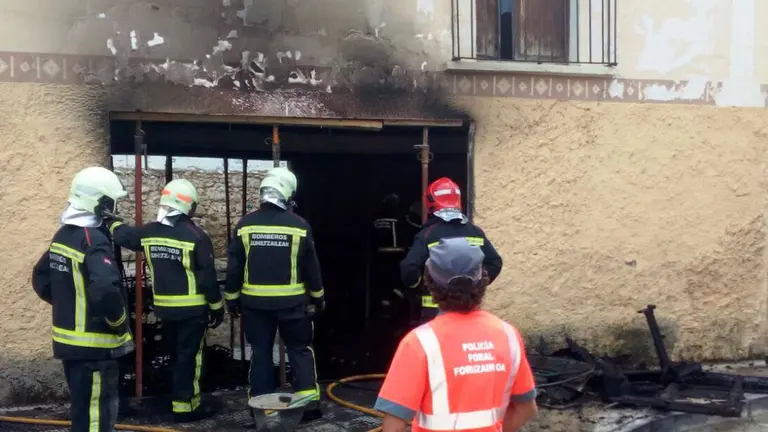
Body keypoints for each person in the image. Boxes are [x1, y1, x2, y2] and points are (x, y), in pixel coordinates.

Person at [375, 238, 538, 432]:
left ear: (430, 283)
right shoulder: (508, 335)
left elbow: (394, 425)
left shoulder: (419, 342)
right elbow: (526, 409)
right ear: (483, 280)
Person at [107, 178, 224, 422]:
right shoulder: (196, 236)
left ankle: (176, 397)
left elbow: (125, 236)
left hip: (164, 309)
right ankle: (186, 406)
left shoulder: (149, 233)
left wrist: (111, 220)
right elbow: (206, 278)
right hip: (192, 310)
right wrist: (217, 306)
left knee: (174, 355)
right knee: (190, 358)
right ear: (189, 206)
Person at [32, 166, 134, 432]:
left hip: (70, 345)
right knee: (97, 417)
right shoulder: (94, 241)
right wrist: (119, 321)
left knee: (82, 412)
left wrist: (68, 303)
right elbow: (105, 289)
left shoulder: (63, 236)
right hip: (96, 348)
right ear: (101, 203)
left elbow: (41, 278)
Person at [224, 166, 325, 421]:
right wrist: (318, 296)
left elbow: (235, 265)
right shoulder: (299, 225)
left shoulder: (245, 224)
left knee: (260, 353)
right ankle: (308, 406)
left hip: (255, 305)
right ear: (288, 192)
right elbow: (311, 266)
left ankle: (261, 408)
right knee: (300, 350)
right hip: (293, 304)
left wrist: (232, 297)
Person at [400, 177, 503, 324]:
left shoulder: (428, 234)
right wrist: (477, 285)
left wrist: (422, 285)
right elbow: (495, 262)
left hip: (435, 309)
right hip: (469, 307)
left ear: (430, 203)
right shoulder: (475, 232)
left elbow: (409, 269)